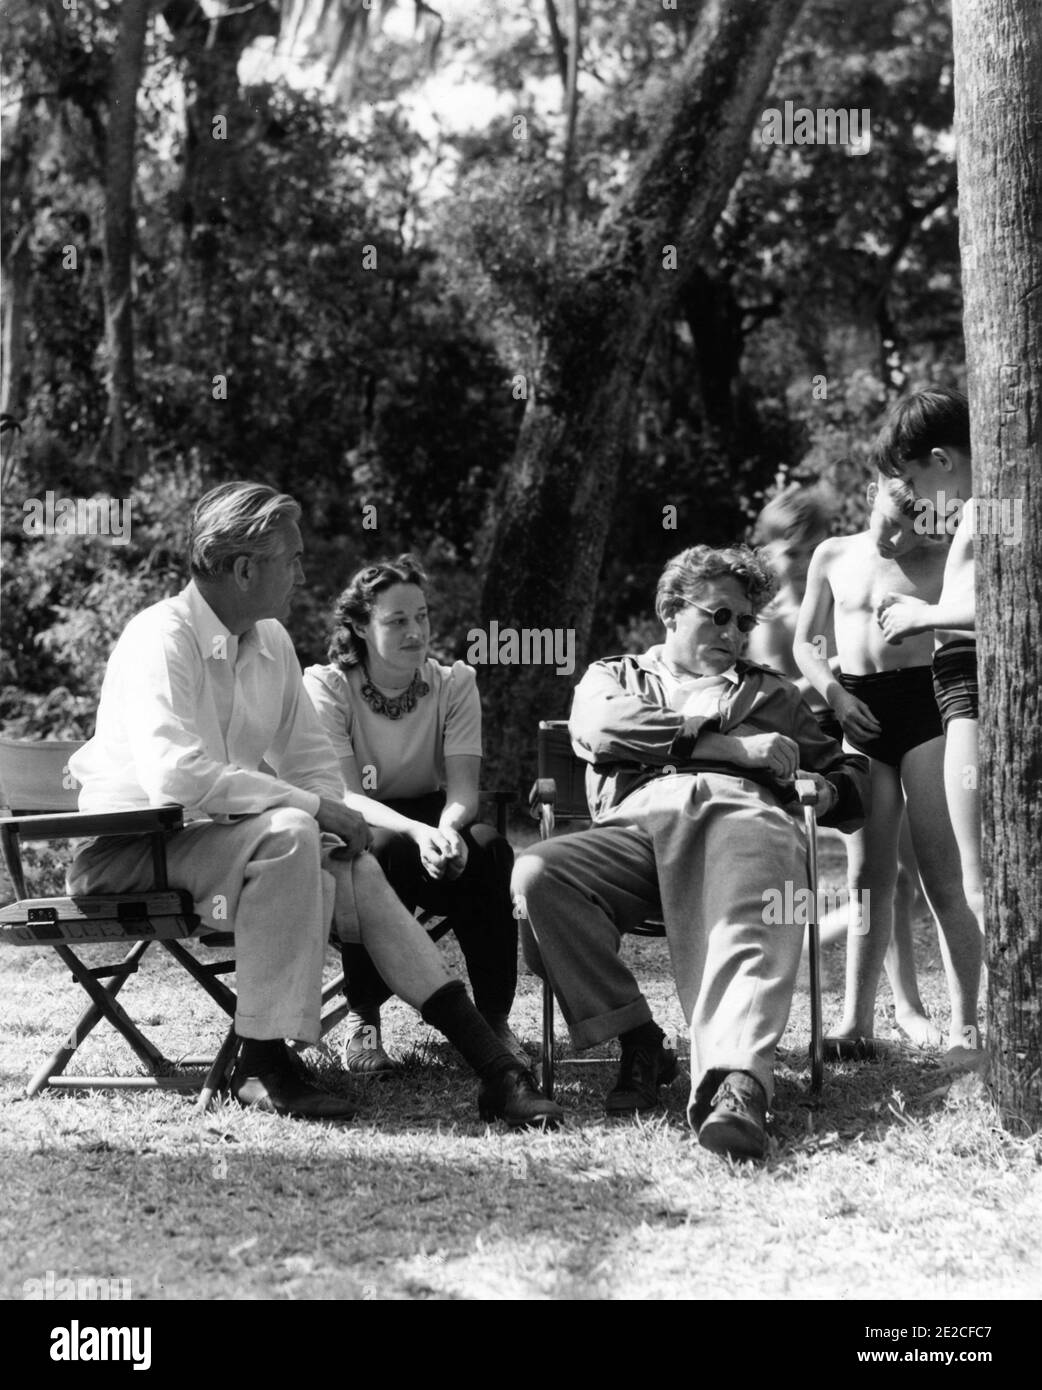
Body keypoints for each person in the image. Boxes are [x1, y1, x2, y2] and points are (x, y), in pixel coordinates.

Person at [66, 482, 561, 1128]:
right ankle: (262, 1061)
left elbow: (311, 769)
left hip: (223, 844)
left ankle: (496, 1069)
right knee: (295, 831)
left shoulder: (270, 642)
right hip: (128, 848)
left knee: (350, 862)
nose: (303, 573)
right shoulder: (162, 637)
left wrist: (338, 821)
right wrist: (315, 810)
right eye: (291, 559)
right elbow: (175, 781)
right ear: (244, 569)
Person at [512, 544, 869, 1161]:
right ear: (670, 610)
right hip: (639, 828)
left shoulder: (773, 694)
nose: (733, 634)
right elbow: (599, 730)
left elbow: (847, 778)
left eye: (744, 623)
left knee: (755, 896)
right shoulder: (615, 676)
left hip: (742, 819)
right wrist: (733, 749)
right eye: (718, 616)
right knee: (539, 874)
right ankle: (637, 1036)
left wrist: (823, 785)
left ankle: (738, 1081)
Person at [302, 555, 523, 1075]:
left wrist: (446, 830)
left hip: (433, 811)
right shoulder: (328, 686)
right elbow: (348, 794)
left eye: (420, 616)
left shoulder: (454, 683)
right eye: (396, 620)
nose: (414, 631)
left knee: (489, 849)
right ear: (359, 625)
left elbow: (464, 789)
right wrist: (417, 832)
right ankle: (363, 1019)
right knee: (377, 850)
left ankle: (493, 1018)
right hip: (362, 816)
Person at [794, 470, 982, 1062]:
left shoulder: (941, 560)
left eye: (912, 530)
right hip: (859, 711)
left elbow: (972, 620)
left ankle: (966, 1026)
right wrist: (836, 698)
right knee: (866, 880)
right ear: (871, 489)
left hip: (926, 710)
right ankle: (855, 1023)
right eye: (890, 525)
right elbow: (806, 644)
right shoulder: (832, 555)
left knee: (939, 873)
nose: (897, 541)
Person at [751, 482, 939, 1045]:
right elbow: (781, 693)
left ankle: (907, 1006)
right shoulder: (773, 620)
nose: (800, 560)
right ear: (769, 551)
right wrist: (834, 679)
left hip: (882, 722)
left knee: (906, 874)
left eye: (806, 548)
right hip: (829, 742)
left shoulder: (840, 580)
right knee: (877, 876)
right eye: (789, 550)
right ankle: (886, 1010)